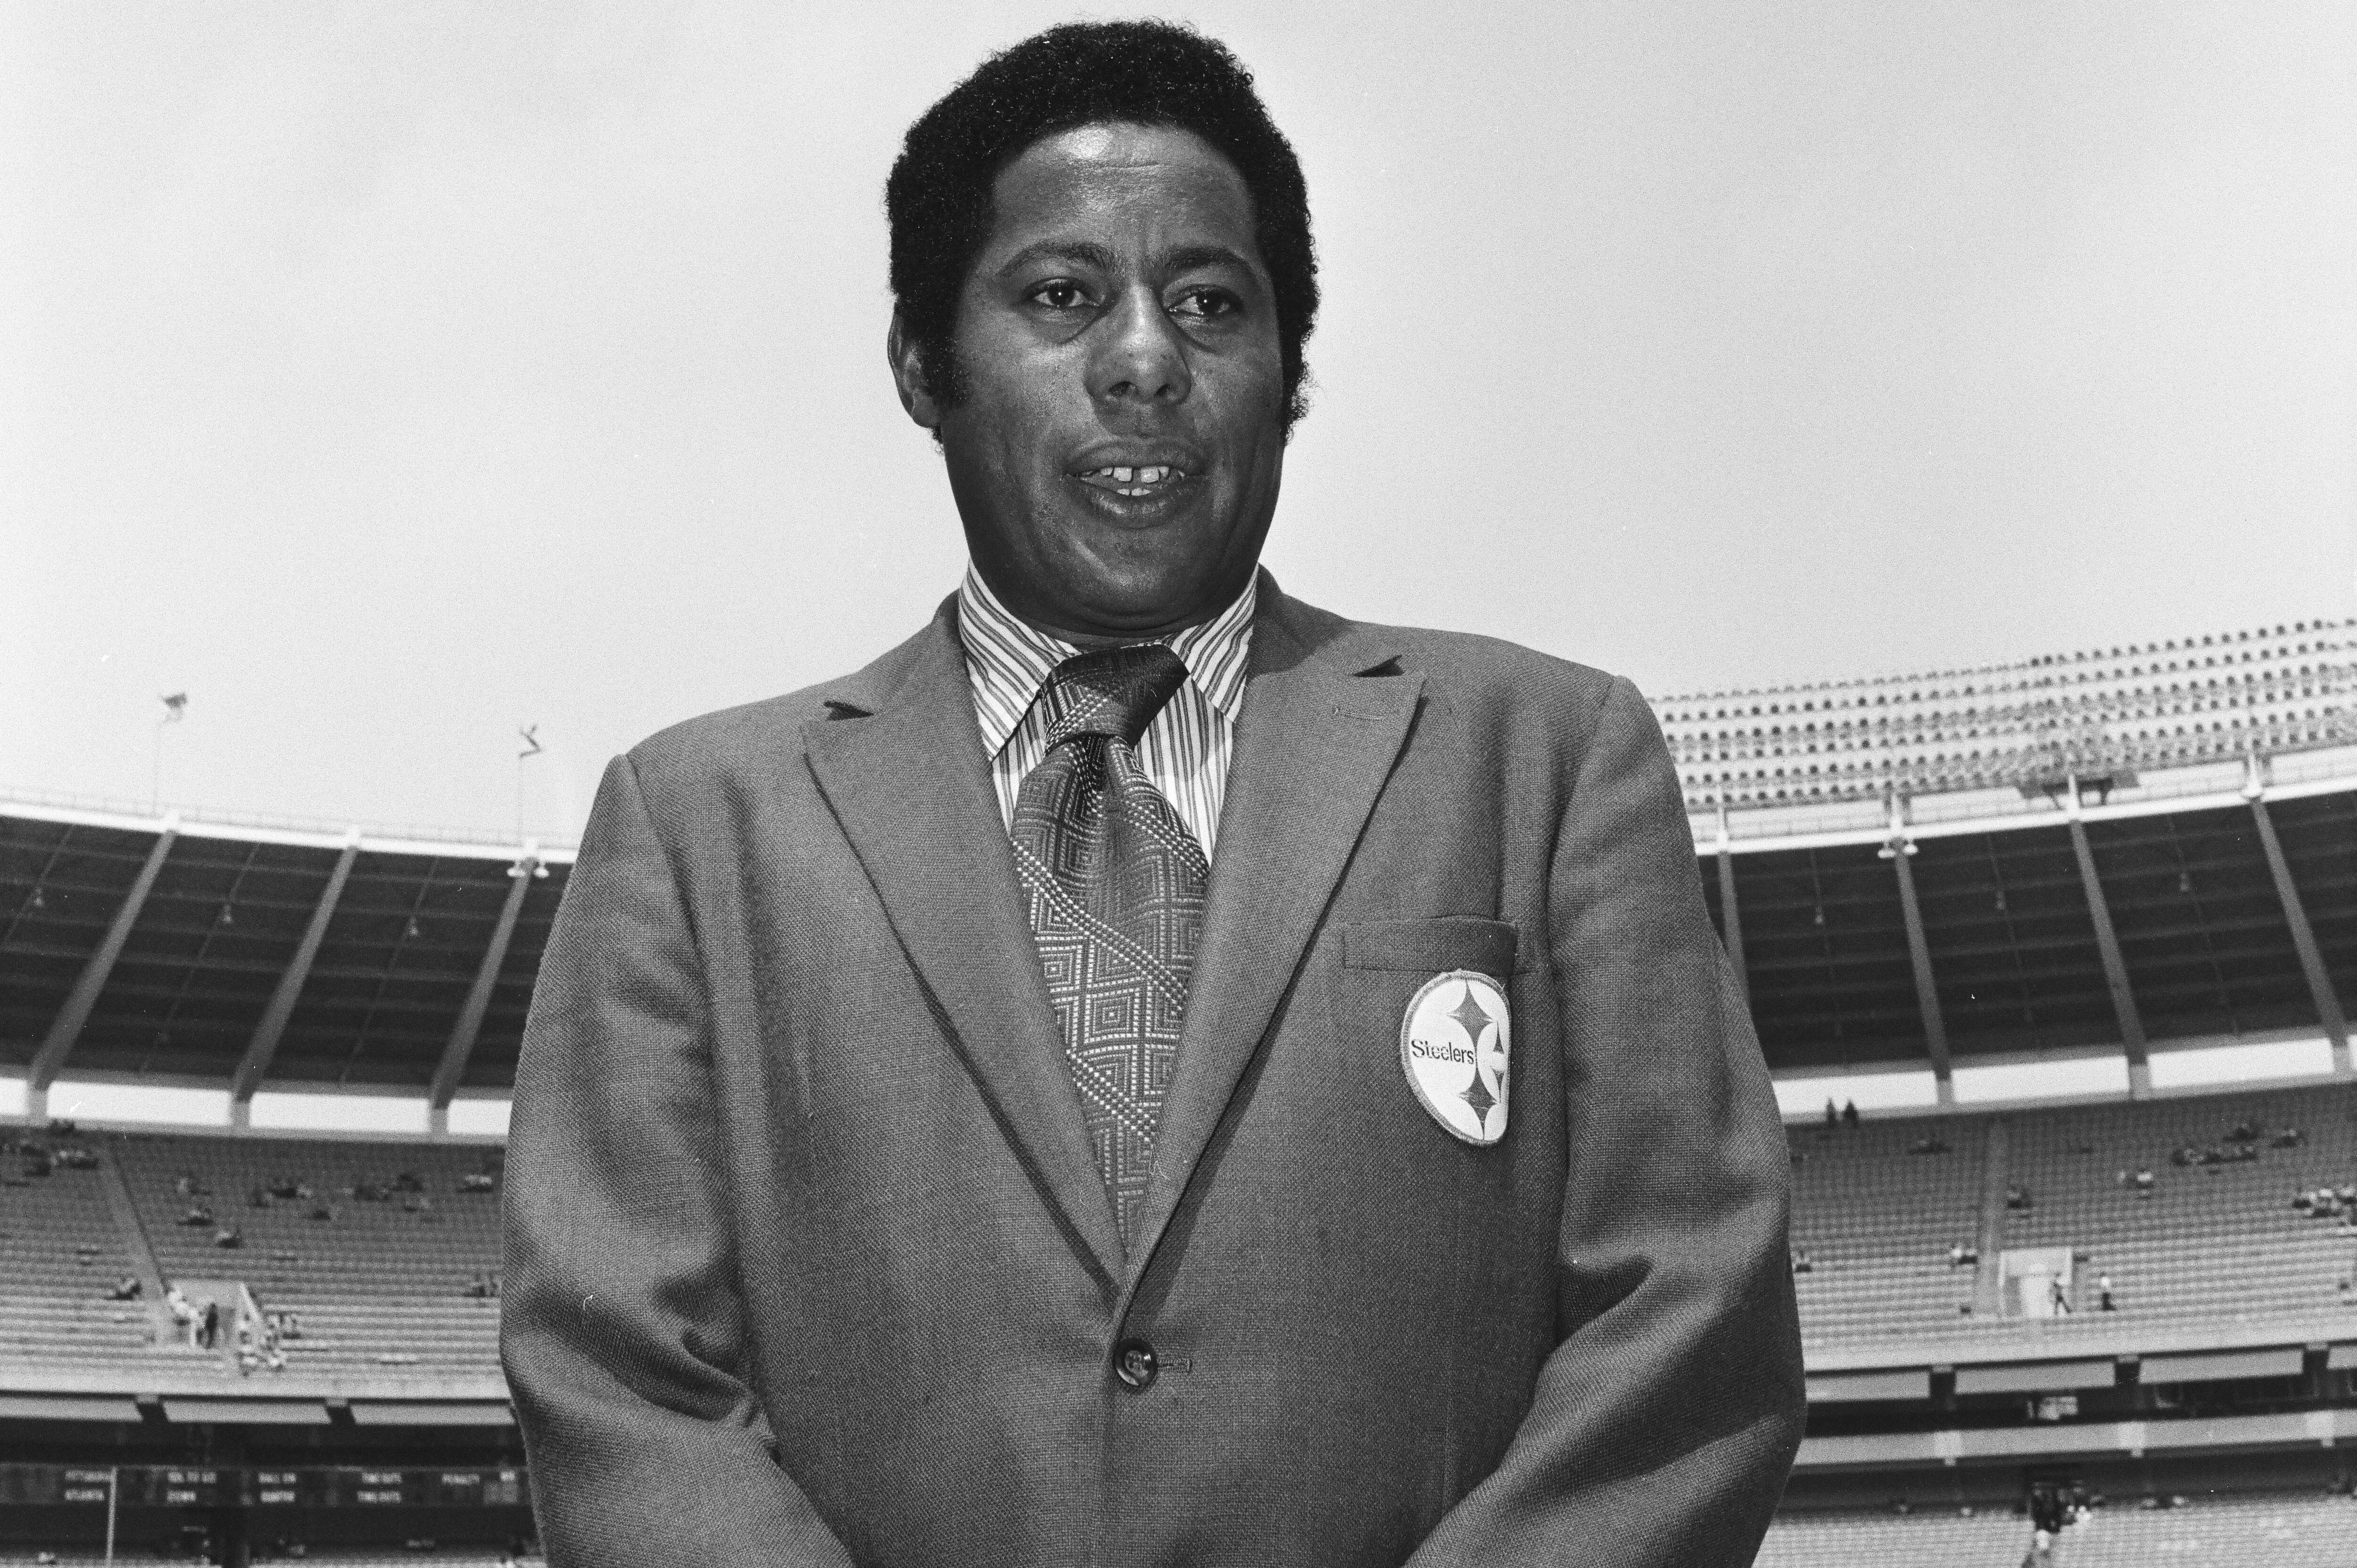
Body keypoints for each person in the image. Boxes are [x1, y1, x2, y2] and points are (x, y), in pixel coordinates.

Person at [502, 21, 1803, 1568]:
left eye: (1208, 302)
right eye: (1061, 298)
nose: (1143, 358)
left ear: (1290, 375)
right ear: (923, 366)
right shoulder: (695, 820)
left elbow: (1692, 1319)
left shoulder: (1546, 758)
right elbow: (621, 1391)